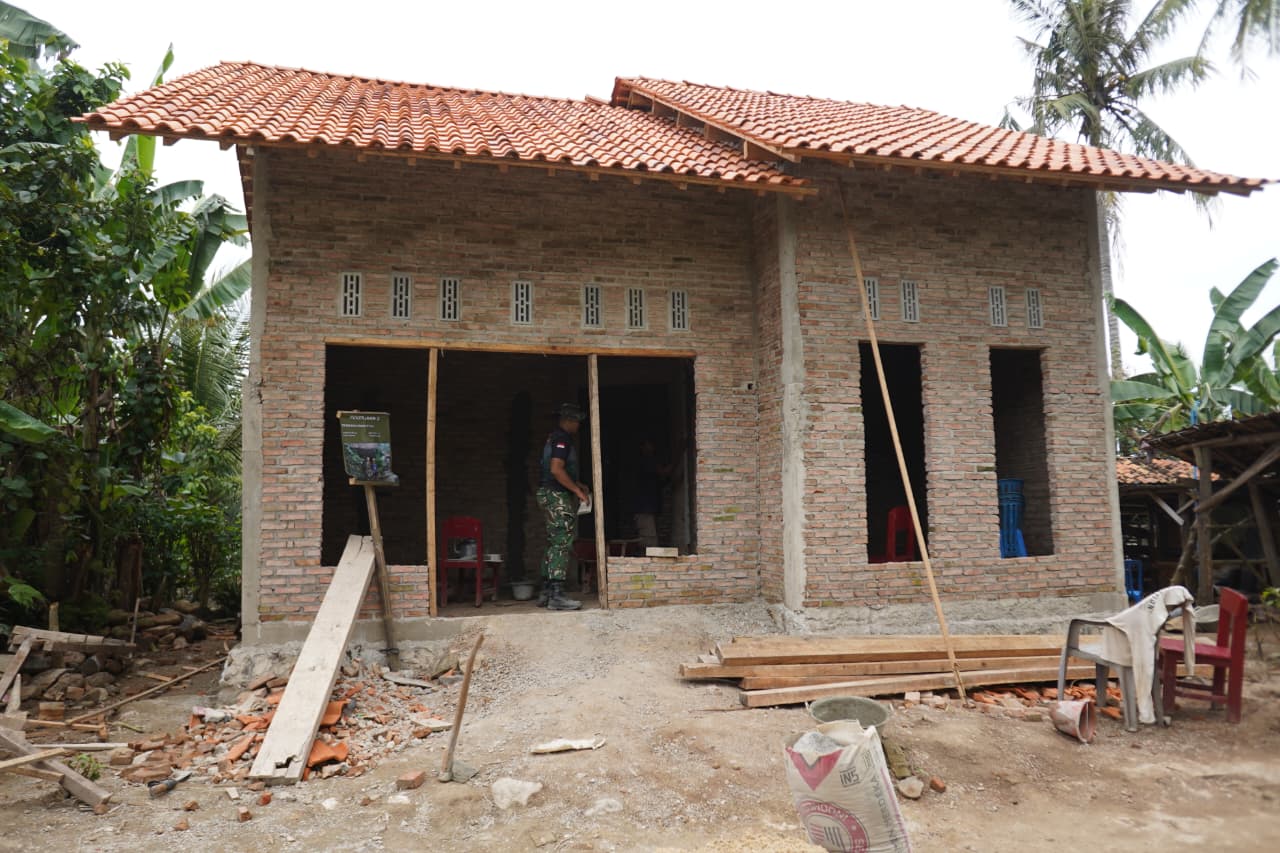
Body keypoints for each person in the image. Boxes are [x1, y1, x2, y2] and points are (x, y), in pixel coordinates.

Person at [535, 403, 589, 610]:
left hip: (548, 493)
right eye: (576, 421)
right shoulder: (562, 439)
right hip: (556, 495)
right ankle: (557, 595)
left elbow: (558, 471)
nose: (578, 425)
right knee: (561, 542)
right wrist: (577, 491)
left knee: (553, 541)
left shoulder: (554, 437)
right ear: (569, 420)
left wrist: (577, 484)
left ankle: (546, 591)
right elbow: (556, 470)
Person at [628, 437, 671, 549]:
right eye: (649, 444)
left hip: (647, 509)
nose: (652, 447)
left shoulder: (646, 462)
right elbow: (663, 472)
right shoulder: (645, 461)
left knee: (650, 542)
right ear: (642, 447)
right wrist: (680, 453)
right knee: (650, 544)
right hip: (643, 509)